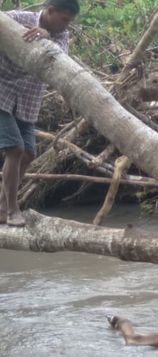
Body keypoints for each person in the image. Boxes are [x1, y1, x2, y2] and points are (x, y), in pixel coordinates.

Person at [0, 0, 79, 228]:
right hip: (2, 89)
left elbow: (62, 57)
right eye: (64, 19)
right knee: (15, 149)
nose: (66, 26)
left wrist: (46, 36)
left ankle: (3, 205)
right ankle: (13, 210)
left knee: (29, 154)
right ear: (50, 11)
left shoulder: (60, 35)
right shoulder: (18, 18)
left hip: (28, 97)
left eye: (69, 22)